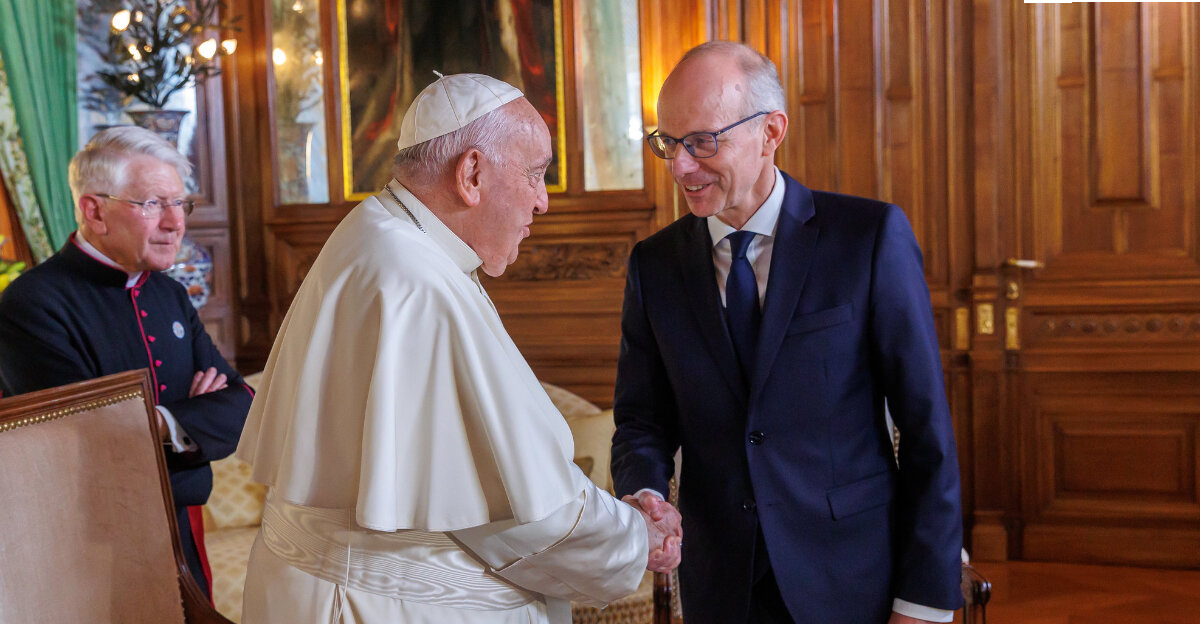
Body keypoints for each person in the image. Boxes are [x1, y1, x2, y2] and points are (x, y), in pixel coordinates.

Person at [236, 72, 681, 623]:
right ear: (471, 173)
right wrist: (637, 538)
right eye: (535, 175)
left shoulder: (375, 232)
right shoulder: (416, 280)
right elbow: (524, 517)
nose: (542, 202)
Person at [611, 41, 964, 624]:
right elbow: (641, 420)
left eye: (702, 141)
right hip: (719, 587)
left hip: (852, 581)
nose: (680, 166)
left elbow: (927, 432)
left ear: (771, 132)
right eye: (668, 143)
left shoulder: (868, 239)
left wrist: (923, 601)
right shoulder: (655, 266)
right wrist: (645, 492)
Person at [0, 126, 253, 598]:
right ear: (95, 211)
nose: (176, 223)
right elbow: (87, 440)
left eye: (180, 204)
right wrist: (183, 423)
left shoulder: (171, 294)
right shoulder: (32, 303)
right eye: (154, 204)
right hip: (85, 549)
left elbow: (243, 404)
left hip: (181, 533)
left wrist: (151, 423)